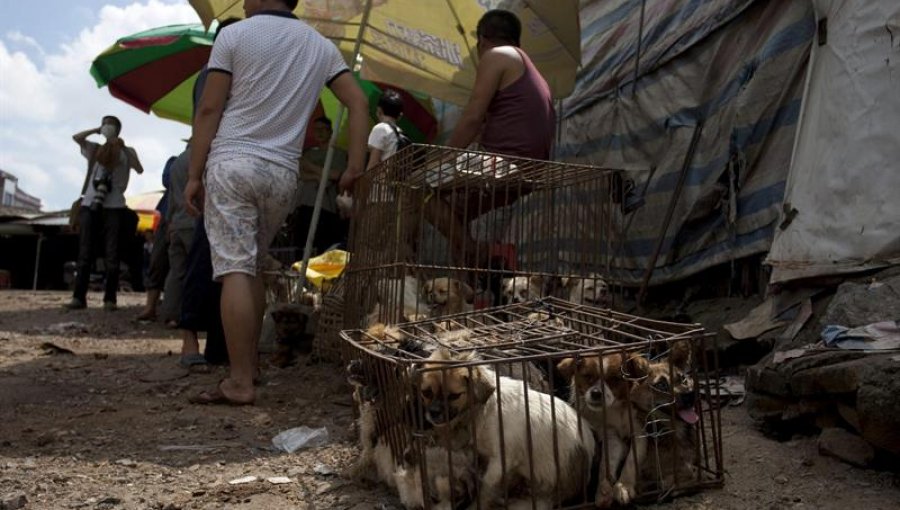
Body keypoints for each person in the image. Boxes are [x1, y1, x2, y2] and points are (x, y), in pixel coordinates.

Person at [185, 0, 368, 406]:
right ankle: (249, 368)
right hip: (282, 175)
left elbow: (210, 107)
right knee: (249, 266)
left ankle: (239, 382)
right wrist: (353, 165)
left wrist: (194, 173)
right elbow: (358, 102)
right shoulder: (321, 46)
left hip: (233, 162)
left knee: (234, 268)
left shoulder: (233, 34)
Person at [427, 9, 556, 269]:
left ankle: (476, 252)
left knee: (417, 187)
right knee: (456, 217)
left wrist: (441, 162)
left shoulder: (496, 55)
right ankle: (475, 285)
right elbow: (484, 123)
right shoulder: (528, 68)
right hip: (530, 169)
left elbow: (472, 118)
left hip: (502, 164)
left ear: (482, 41)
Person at [66, 116, 144, 310]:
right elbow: (76, 138)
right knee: (84, 252)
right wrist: (96, 130)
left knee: (112, 253)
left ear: (118, 129)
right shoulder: (95, 149)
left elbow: (139, 168)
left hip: (115, 205)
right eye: (105, 123)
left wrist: (122, 146)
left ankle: (110, 299)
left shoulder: (126, 151)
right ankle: (78, 297)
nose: (107, 126)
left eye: (110, 124)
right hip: (90, 203)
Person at [161, 141, 198, 348]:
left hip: (176, 224)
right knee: (196, 273)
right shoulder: (199, 159)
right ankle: (193, 318)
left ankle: (171, 315)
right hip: (194, 223)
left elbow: (171, 199)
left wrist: (169, 223)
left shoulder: (176, 163)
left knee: (176, 273)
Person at [295, 116, 348, 253]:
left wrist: (310, 166)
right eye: (316, 129)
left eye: (323, 129)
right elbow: (299, 173)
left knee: (323, 243)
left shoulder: (338, 153)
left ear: (330, 131)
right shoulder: (308, 153)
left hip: (327, 204)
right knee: (302, 241)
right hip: (304, 201)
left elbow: (336, 174)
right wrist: (319, 176)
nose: (319, 132)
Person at [136, 156, 176, 322]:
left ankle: (173, 311)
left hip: (186, 217)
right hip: (168, 216)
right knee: (157, 262)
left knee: (179, 267)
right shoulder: (175, 161)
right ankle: (150, 307)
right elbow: (167, 180)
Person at [365, 90, 406, 171]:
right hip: (391, 181)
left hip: (378, 181)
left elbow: (373, 163)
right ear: (400, 116)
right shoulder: (400, 133)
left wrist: (364, 182)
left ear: (379, 110)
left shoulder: (380, 129)